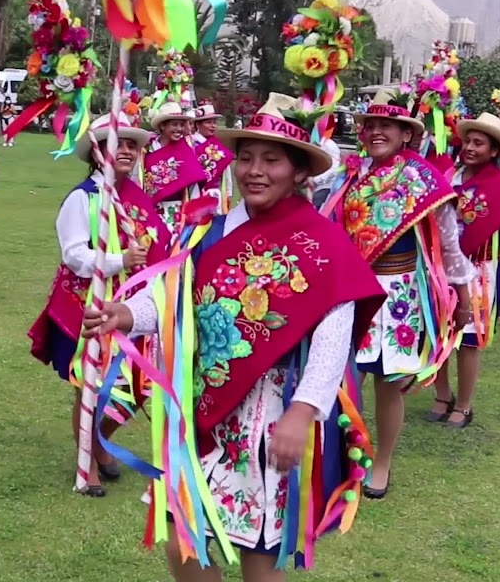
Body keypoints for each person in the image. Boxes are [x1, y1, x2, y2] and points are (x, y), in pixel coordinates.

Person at [82, 95, 385, 578]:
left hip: (269, 419)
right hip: (202, 414)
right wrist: (125, 313)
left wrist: (303, 413)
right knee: (184, 537)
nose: (254, 171)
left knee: (258, 558)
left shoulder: (324, 246)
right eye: (245, 157)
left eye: (271, 159)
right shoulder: (211, 231)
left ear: (299, 171)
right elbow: (173, 298)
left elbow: (333, 341)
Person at [337, 88, 474, 498]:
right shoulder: (351, 174)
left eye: (386, 126)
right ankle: (344, 458)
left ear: (405, 134)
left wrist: (463, 297)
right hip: (351, 291)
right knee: (340, 378)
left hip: (397, 295)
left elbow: (448, 245)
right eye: (370, 125)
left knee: (387, 383)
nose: (376, 132)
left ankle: (382, 462)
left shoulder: (423, 179)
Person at [28, 113, 170, 496]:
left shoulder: (137, 198)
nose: (125, 150)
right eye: (115, 143)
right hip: (88, 305)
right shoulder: (83, 199)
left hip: (134, 307)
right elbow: (75, 254)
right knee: (90, 385)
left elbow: (159, 247)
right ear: (96, 151)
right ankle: (87, 463)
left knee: (133, 386)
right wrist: (119, 260)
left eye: (131, 144)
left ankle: (101, 443)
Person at [430, 113, 500, 429]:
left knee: (469, 340)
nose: (470, 148)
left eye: (479, 143)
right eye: (468, 141)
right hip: (443, 270)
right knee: (441, 334)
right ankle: (442, 394)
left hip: (483, 272)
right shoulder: (449, 176)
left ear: (494, 151)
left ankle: (464, 404)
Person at [143, 101, 209, 231]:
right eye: (174, 124)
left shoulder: (186, 151)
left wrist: (193, 215)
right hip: (150, 213)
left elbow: (193, 185)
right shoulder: (146, 151)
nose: (179, 129)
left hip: (178, 214)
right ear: (162, 126)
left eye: (181, 125)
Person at [193, 103, 235, 213]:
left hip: (215, 194)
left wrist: (228, 193)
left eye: (214, 122)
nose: (213, 126)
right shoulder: (190, 144)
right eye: (208, 122)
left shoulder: (217, 146)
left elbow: (226, 170)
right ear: (198, 125)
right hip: (195, 194)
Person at [309, 130, 343, 209]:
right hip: (314, 186)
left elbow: (335, 166)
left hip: (326, 185)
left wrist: (316, 180)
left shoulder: (329, 144)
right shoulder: (311, 141)